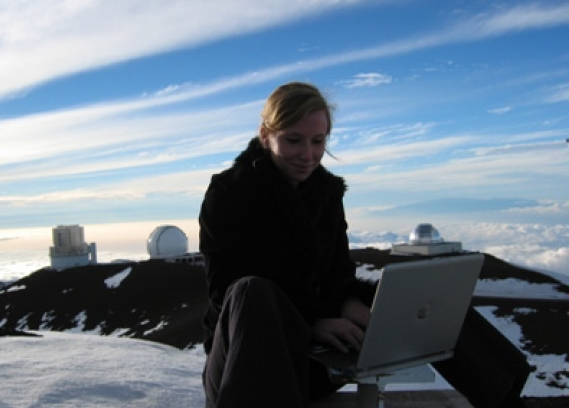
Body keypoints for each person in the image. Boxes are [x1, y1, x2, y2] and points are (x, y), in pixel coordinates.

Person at [198, 81, 530, 408]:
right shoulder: (229, 194)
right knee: (251, 291)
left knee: (416, 298)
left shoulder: (324, 193)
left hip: (315, 365)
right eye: (293, 140)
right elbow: (226, 294)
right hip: (243, 367)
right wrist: (312, 326)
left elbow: (338, 273)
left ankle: (504, 397)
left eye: (318, 141)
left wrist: (351, 304)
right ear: (264, 134)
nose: (308, 155)